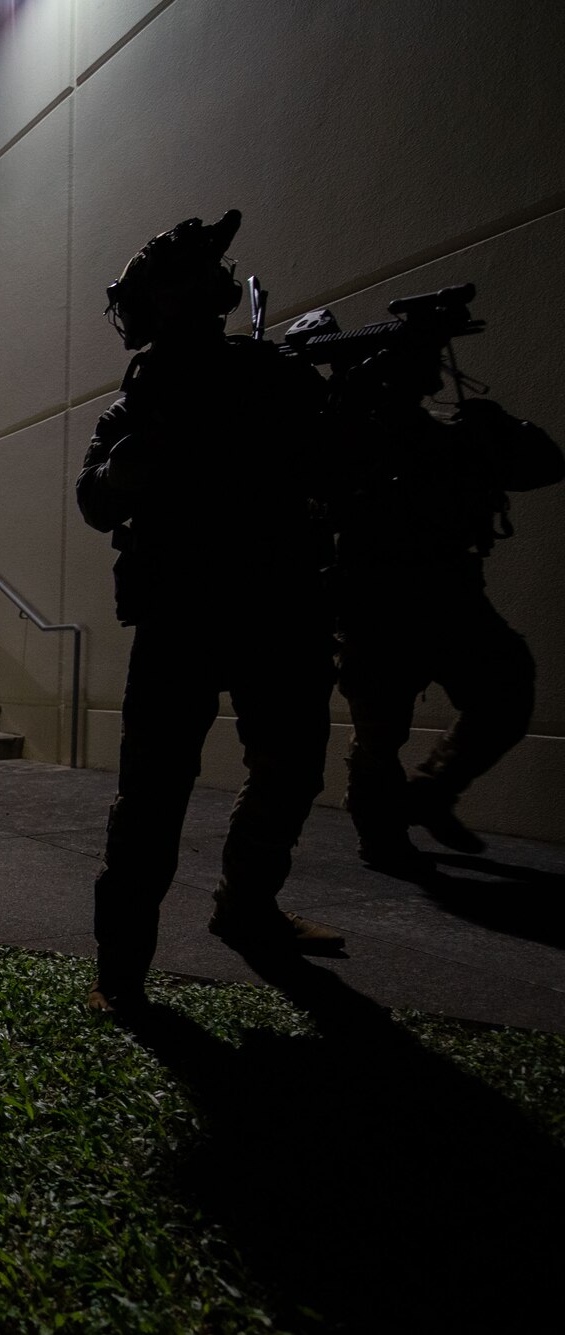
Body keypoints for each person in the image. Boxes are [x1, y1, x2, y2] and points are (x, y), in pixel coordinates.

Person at [76, 209, 344, 1014]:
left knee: (291, 769)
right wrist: (135, 467)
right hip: (182, 616)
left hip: (278, 606)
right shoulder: (137, 406)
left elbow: (331, 471)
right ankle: (122, 972)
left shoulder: (273, 377)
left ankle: (247, 907)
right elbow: (94, 498)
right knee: (153, 795)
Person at [320, 322, 563, 869]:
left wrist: (498, 427)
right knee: (380, 732)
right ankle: (381, 835)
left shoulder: (455, 430)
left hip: (451, 597)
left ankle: (429, 792)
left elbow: (546, 465)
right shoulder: (348, 434)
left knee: (506, 692)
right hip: (375, 603)